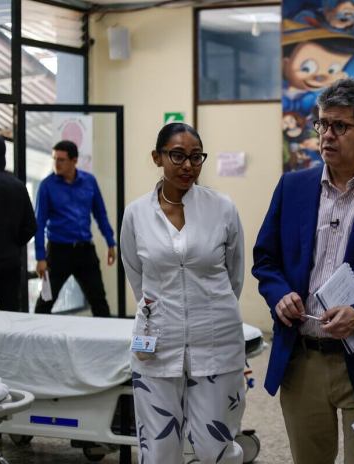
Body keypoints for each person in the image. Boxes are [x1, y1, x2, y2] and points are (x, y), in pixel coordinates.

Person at [252, 78, 354, 464]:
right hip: (302, 357)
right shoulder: (293, 187)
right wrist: (279, 295)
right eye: (322, 124)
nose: (326, 135)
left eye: (339, 126)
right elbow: (266, 259)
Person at [120, 123, 246, 464]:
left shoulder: (222, 208)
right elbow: (137, 276)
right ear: (157, 157)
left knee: (215, 446)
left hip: (216, 339)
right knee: (158, 448)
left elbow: (234, 276)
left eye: (195, 157)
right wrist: (161, 310)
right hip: (157, 343)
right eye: (177, 155)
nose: (187, 165)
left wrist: (208, 307)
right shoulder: (136, 214)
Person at [34, 140, 116, 317]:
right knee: (45, 302)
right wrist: (40, 257)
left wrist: (110, 243)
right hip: (57, 252)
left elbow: (100, 214)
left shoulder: (89, 181)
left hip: (84, 251)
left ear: (74, 161)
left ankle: (108, 341)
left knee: (99, 301)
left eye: (61, 159)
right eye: (54, 158)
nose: (56, 163)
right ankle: (33, 342)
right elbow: (38, 224)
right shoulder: (47, 185)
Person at [0, 135, 36, 311]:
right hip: (9, 264)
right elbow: (30, 226)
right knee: (11, 318)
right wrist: (13, 243)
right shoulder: (17, 185)